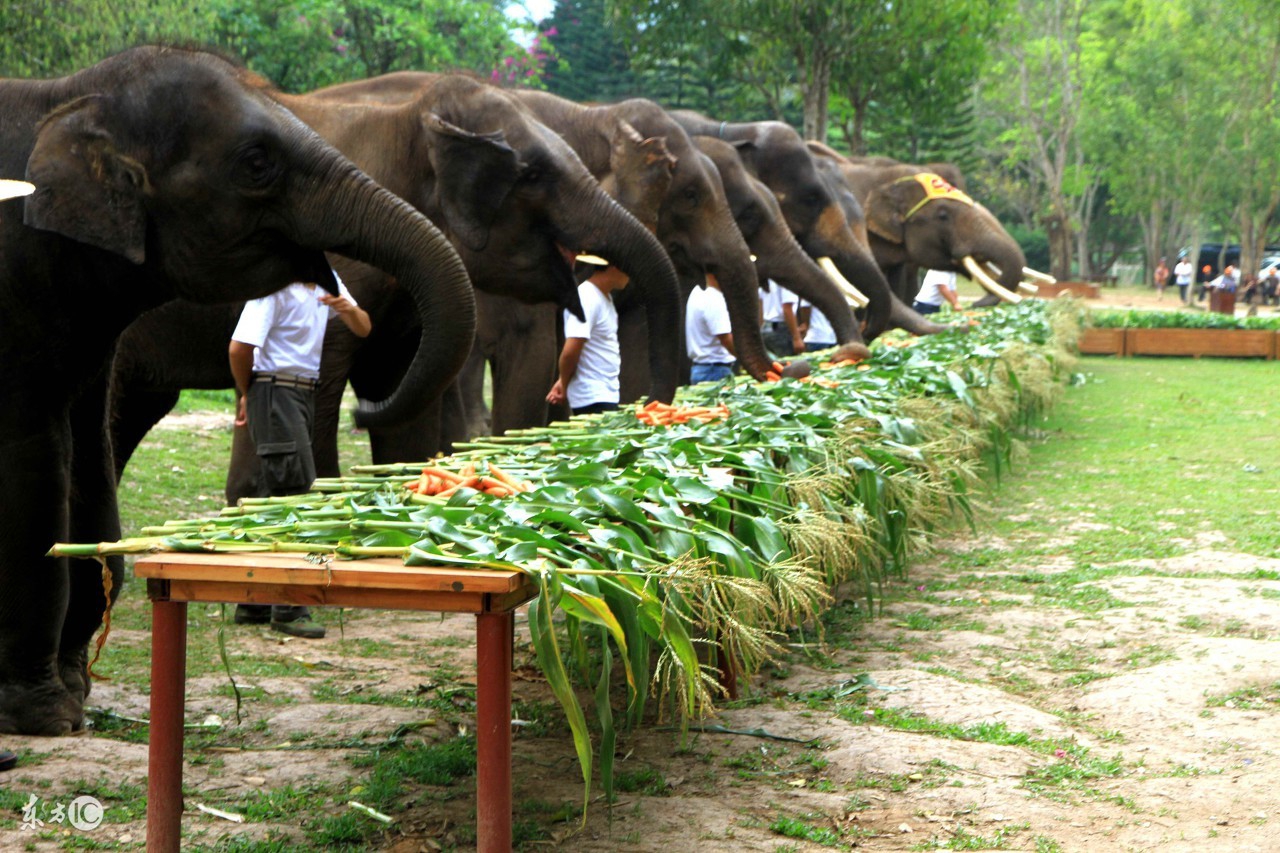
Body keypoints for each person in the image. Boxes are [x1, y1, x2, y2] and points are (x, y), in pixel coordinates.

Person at [230, 270, 371, 638]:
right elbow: (239, 348)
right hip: (274, 390)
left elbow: (364, 327)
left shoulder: (328, 281)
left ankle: (254, 601)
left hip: (304, 392)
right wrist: (249, 393)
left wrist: (346, 307)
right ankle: (289, 608)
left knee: (271, 494)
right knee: (295, 492)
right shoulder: (274, 287)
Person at [547, 263, 629, 415]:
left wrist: (563, 380)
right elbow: (571, 351)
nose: (630, 275)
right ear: (614, 266)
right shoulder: (587, 297)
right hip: (592, 396)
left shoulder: (603, 297)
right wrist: (563, 382)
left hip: (605, 393)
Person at [685, 273, 736, 384]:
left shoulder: (697, 292)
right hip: (715, 371)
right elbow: (725, 338)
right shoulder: (713, 298)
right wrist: (749, 360)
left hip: (701, 368)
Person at [759, 280, 804, 356]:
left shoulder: (768, 279)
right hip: (781, 329)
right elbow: (787, 308)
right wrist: (796, 337)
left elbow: (760, 303)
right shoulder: (787, 280)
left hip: (766, 326)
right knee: (788, 361)